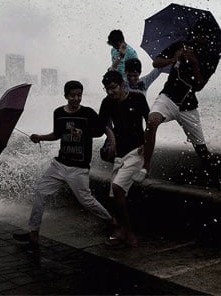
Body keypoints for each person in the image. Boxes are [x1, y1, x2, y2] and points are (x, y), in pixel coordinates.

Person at [13, 80, 115, 250]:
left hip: (79, 168)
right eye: (72, 95)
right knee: (40, 192)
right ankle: (33, 233)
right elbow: (57, 134)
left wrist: (112, 143)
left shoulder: (88, 113)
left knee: (86, 201)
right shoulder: (59, 113)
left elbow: (104, 128)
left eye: (79, 95)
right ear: (66, 96)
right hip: (59, 164)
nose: (76, 98)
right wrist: (40, 137)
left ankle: (111, 221)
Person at [142, 35, 221, 199]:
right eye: (197, 35)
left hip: (189, 106)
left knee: (201, 149)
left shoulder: (211, 58)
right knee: (152, 121)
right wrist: (173, 58)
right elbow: (156, 62)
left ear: (208, 39)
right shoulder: (180, 45)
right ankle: (145, 168)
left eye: (203, 37)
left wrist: (194, 63)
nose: (198, 39)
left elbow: (199, 85)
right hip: (168, 97)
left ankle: (220, 182)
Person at [98, 70, 151, 248]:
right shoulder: (107, 103)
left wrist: (147, 143)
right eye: (107, 89)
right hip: (119, 154)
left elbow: (149, 123)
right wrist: (111, 141)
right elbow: (103, 125)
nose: (110, 92)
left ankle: (127, 232)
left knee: (117, 187)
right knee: (114, 196)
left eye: (113, 88)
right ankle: (121, 229)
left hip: (137, 152)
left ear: (122, 85)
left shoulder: (138, 98)